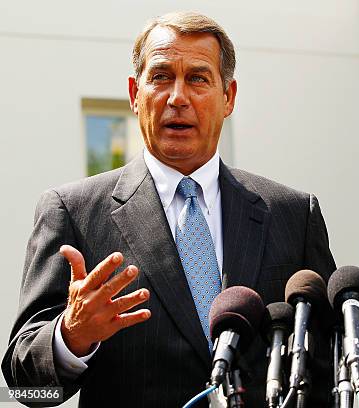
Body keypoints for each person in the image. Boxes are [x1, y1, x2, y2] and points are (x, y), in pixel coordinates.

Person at [2, 11, 335, 407]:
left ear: (228, 97)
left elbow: (326, 368)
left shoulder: (294, 215)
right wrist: (71, 336)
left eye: (197, 78)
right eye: (161, 77)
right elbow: (25, 385)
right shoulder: (72, 211)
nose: (178, 97)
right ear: (134, 93)